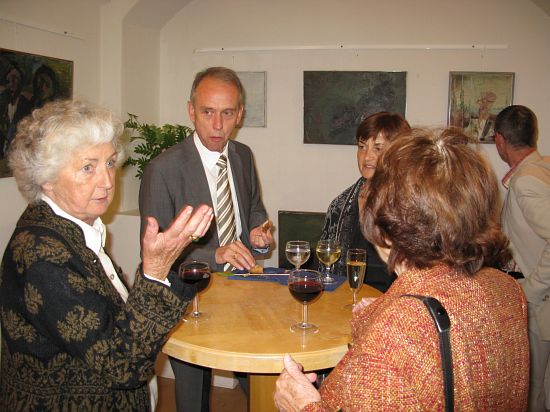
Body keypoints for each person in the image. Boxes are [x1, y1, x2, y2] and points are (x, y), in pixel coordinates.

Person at [274, 127, 529, 411]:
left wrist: (302, 405)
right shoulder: (507, 290)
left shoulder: (397, 329)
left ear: (384, 223)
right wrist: (375, 315)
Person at [0, 99, 214, 411]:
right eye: (88, 167)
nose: (107, 181)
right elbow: (121, 365)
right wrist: (154, 272)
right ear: (47, 178)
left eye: (110, 163)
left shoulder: (74, 229)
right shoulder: (41, 255)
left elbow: (114, 321)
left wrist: (169, 265)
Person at [139, 66, 273, 411]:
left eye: (227, 113)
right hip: (189, 295)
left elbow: (254, 209)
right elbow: (157, 253)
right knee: (193, 397)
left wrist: (257, 233)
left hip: (243, 289)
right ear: (191, 111)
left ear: (239, 114)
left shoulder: (243, 156)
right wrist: (216, 255)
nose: (217, 125)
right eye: (207, 112)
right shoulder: (162, 170)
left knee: (258, 382)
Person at [495, 104, 550, 412]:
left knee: (532, 393)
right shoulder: (542, 168)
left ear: (500, 141)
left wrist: (531, 291)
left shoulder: (527, 180)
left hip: (540, 305)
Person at [319, 112, 410, 292]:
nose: (367, 156)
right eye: (362, 147)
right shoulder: (340, 205)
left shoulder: (411, 207)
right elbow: (325, 269)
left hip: (394, 302)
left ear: (399, 152)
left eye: (378, 148)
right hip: (345, 300)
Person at [0, 64, 32, 158]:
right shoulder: (1, 100)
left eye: (15, 78)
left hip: (16, 154)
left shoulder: (25, 104)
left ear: (21, 82)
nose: (12, 82)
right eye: (9, 79)